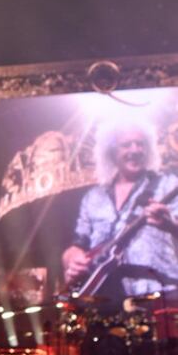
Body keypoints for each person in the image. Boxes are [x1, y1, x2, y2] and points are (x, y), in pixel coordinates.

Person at [62, 122, 178, 305]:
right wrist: (72, 261)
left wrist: (171, 225)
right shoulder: (93, 197)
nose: (135, 149)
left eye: (141, 144)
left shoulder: (168, 185)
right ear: (111, 152)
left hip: (160, 293)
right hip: (104, 300)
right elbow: (77, 244)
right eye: (127, 144)